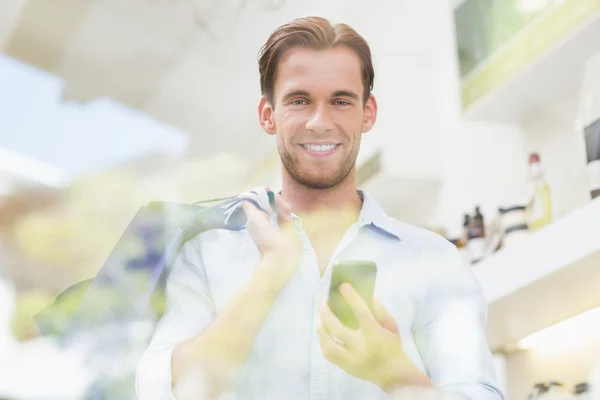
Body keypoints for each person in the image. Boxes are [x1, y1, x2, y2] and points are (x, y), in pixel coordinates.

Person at [136, 16, 504, 400]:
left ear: (368, 113)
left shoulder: (435, 261)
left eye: (341, 101)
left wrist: (395, 374)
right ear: (268, 115)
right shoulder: (208, 256)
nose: (319, 122)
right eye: (299, 101)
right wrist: (271, 271)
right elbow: (162, 391)